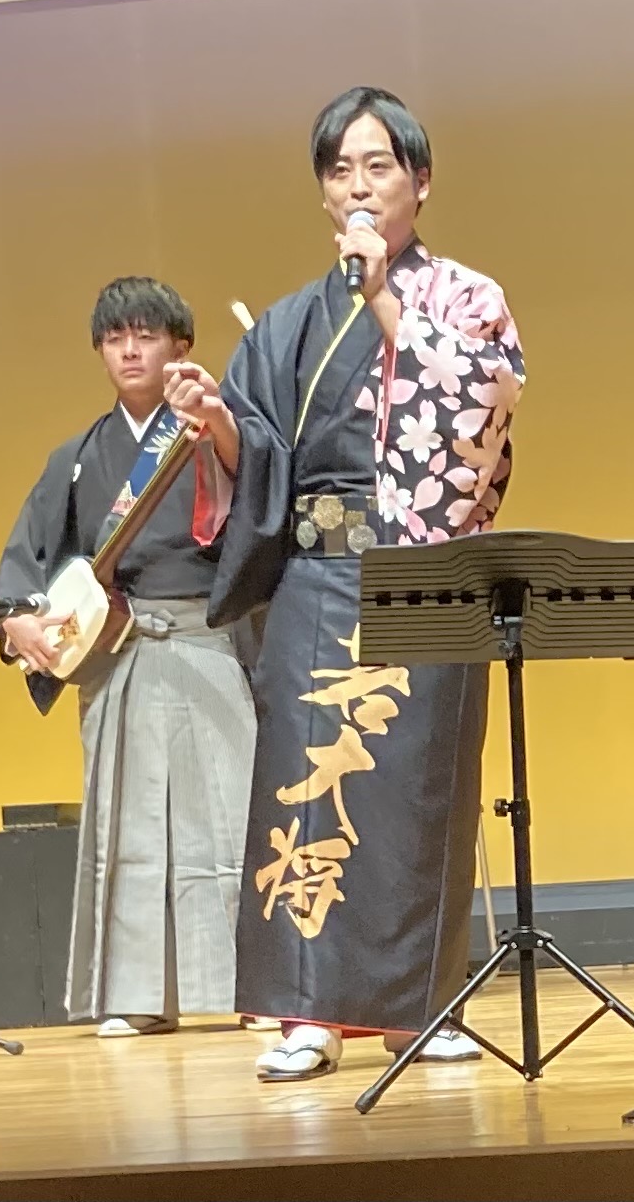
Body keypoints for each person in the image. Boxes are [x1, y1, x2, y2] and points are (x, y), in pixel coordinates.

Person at [163, 87, 524, 1082]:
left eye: (378, 166)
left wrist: (382, 300)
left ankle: (420, 1005)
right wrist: (217, 423)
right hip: (316, 577)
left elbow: (474, 404)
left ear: (420, 180)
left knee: (415, 798)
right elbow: (260, 455)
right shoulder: (287, 323)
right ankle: (307, 1014)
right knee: (305, 795)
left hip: (421, 571)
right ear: (322, 191)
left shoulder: (465, 297)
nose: (358, 186)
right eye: (340, 170)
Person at [0, 278, 251, 1036]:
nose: (130, 350)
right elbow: (25, 564)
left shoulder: (212, 435)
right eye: (115, 338)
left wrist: (220, 426)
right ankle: (138, 995)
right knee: (127, 832)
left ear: (181, 345)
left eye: (146, 335)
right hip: (120, 651)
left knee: (231, 819)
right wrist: (18, 620)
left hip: (206, 641)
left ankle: (254, 987)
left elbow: (263, 509)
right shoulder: (75, 459)